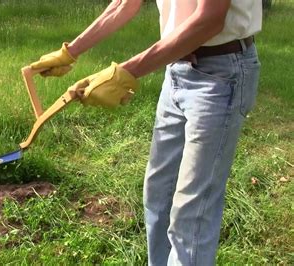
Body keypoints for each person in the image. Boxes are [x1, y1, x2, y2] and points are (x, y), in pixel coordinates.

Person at [31, 0, 262, 265]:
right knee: (158, 196)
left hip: (220, 75)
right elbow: (124, 4)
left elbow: (209, 20)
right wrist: (70, 52)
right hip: (175, 71)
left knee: (192, 211)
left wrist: (126, 72)